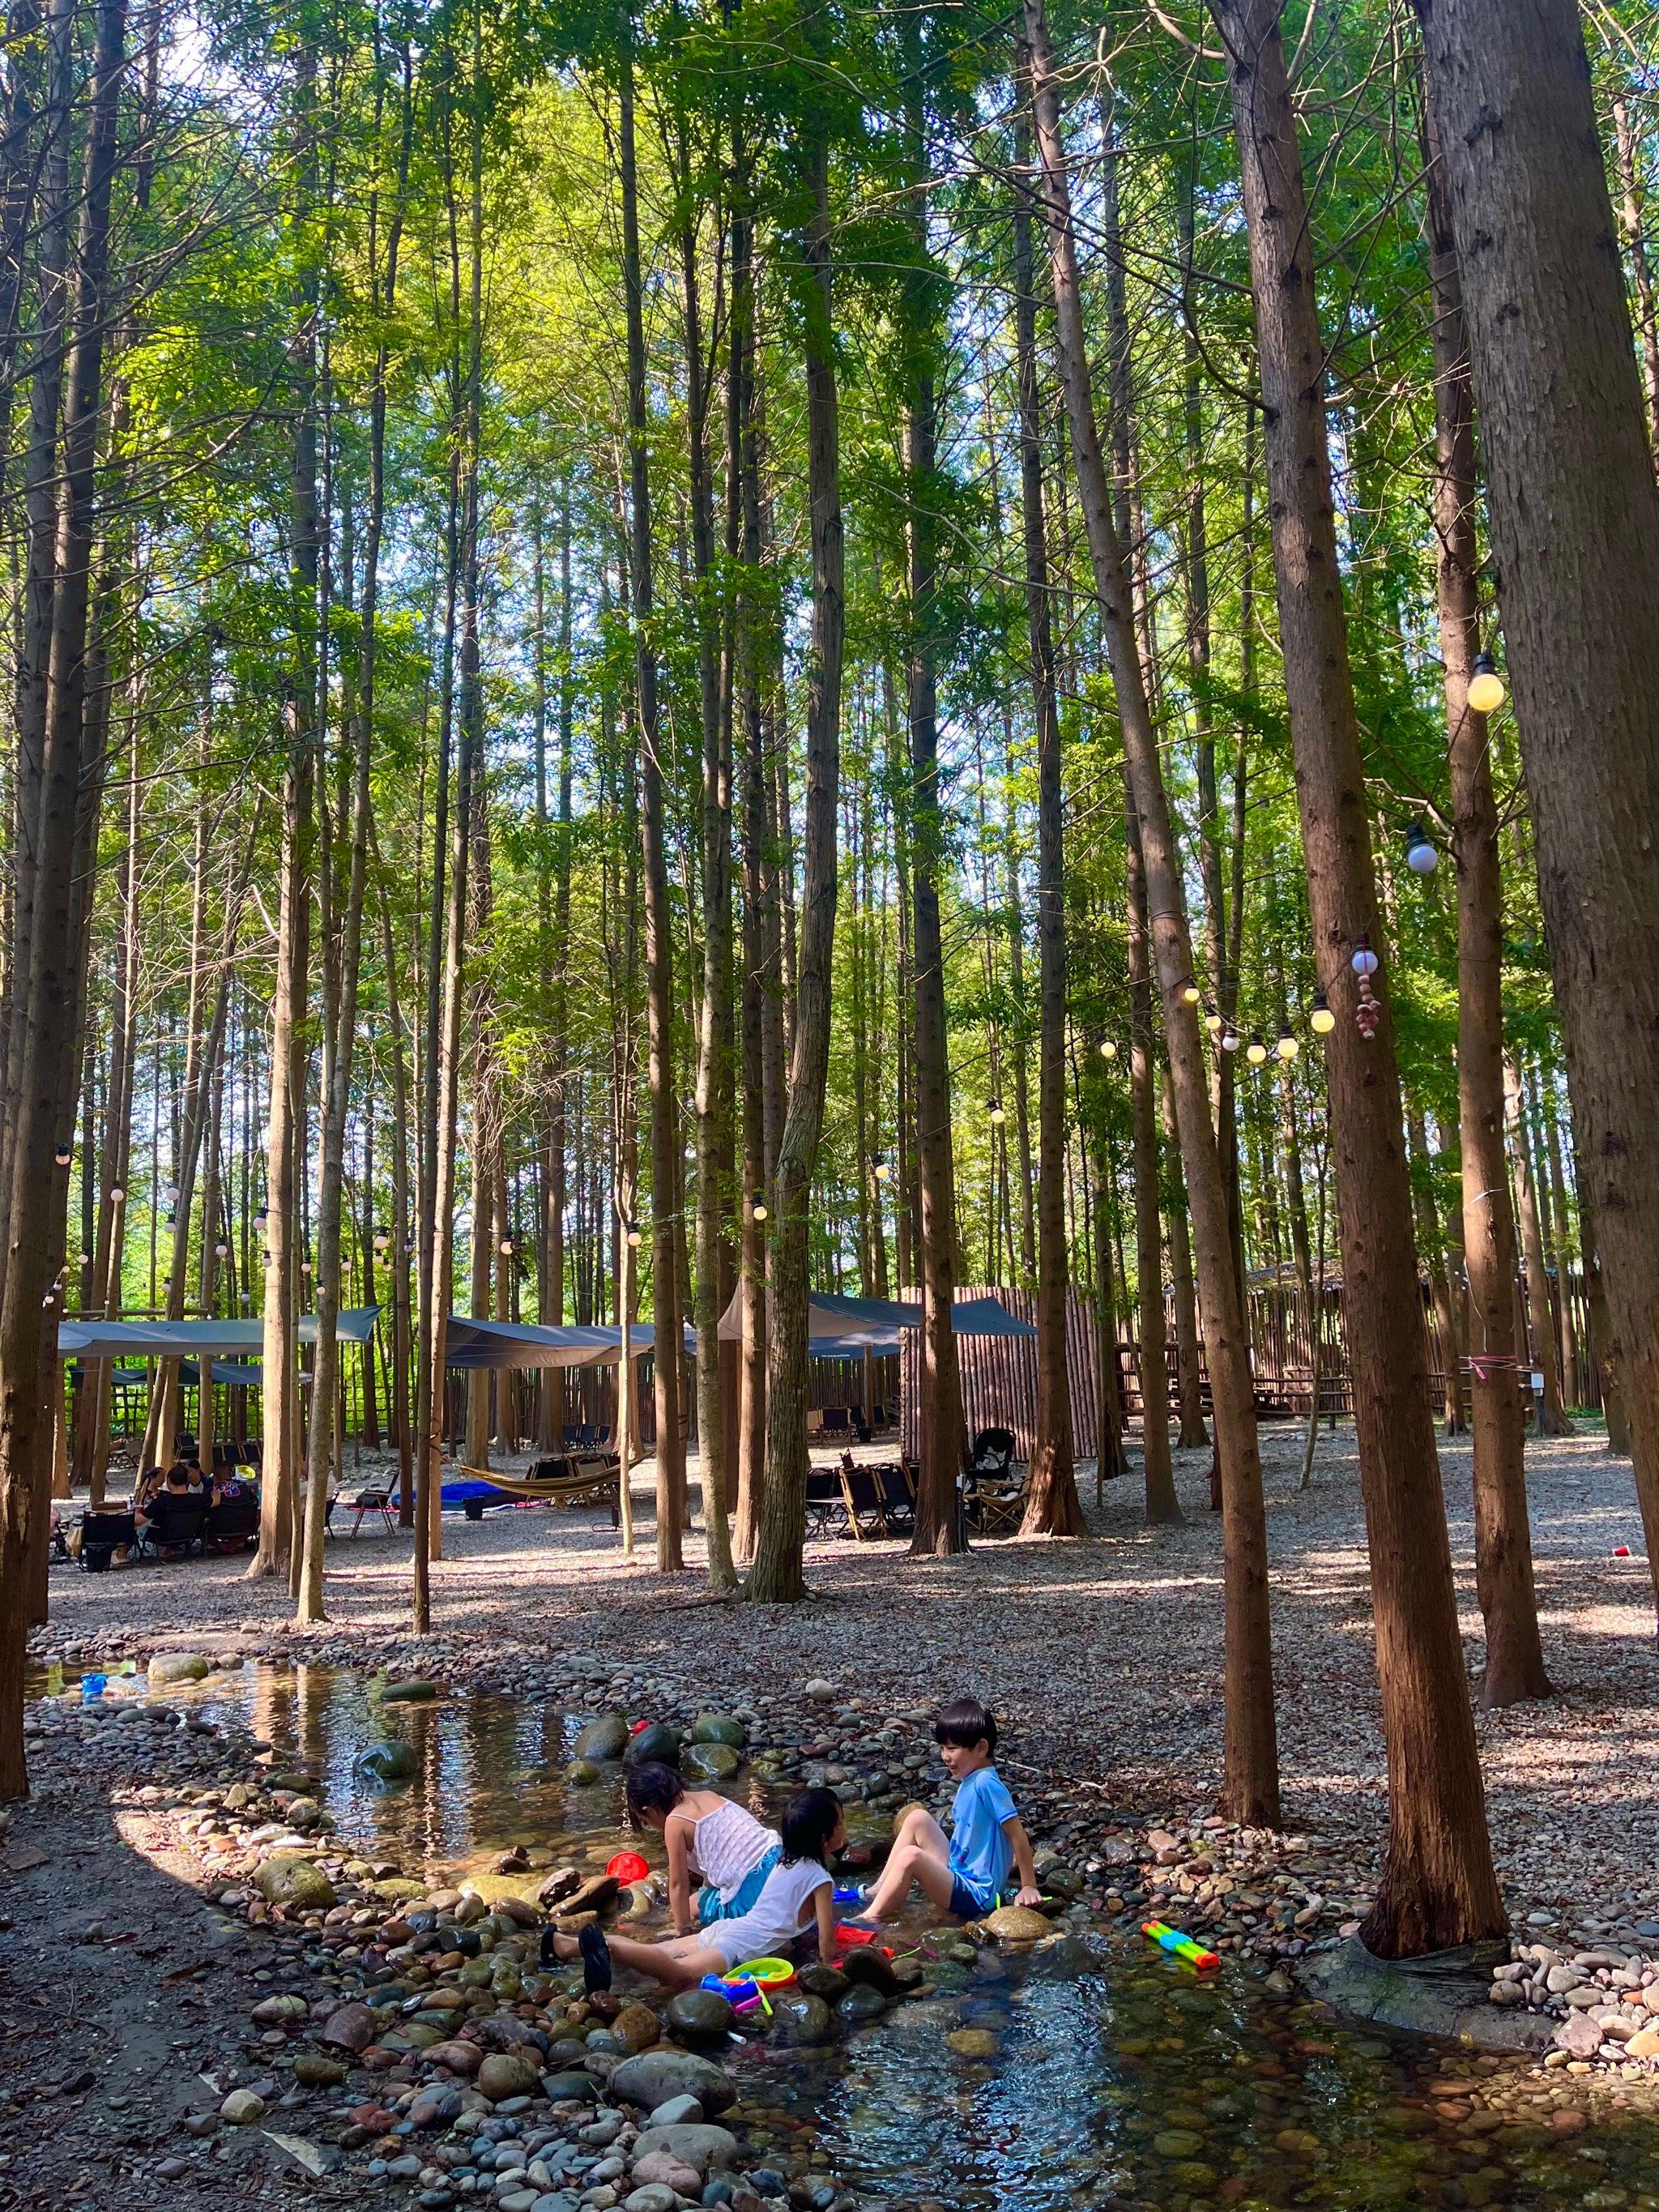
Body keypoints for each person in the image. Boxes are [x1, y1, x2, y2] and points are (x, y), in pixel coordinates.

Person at [544, 1787, 843, 1994]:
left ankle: (564, 1944)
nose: (844, 1828)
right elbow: (827, 1948)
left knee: (658, 1952)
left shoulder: (784, 1861)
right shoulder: (820, 1879)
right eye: (841, 1822)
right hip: (739, 1947)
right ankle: (611, 1948)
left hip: (732, 1929)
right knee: (681, 1974)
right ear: (823, 1837)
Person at [851, 1697, 1041, 1923]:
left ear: (981, 1748)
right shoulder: (970, 1779)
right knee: (917, 1818)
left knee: (911, 1857)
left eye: (952, 1748)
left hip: (976, 1895)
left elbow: (1018, 1834)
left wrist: (1028, 1885)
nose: (944, 1756)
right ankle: (877, 1889)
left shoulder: (986, 1784)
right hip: (957, 1873)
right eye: (943, 1748)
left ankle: (868, 1920)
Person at [624, 1761, 781, 1936]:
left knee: (691, 1905)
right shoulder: (709, 1795)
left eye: (645, 1822)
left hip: (754, 1889)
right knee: (698, 1876)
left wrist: (681, 1930)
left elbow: (678, 1886)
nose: (650, 1826)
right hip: (780, 1862)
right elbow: (718, 1852)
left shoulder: (674, 1822)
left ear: (650, 1811)